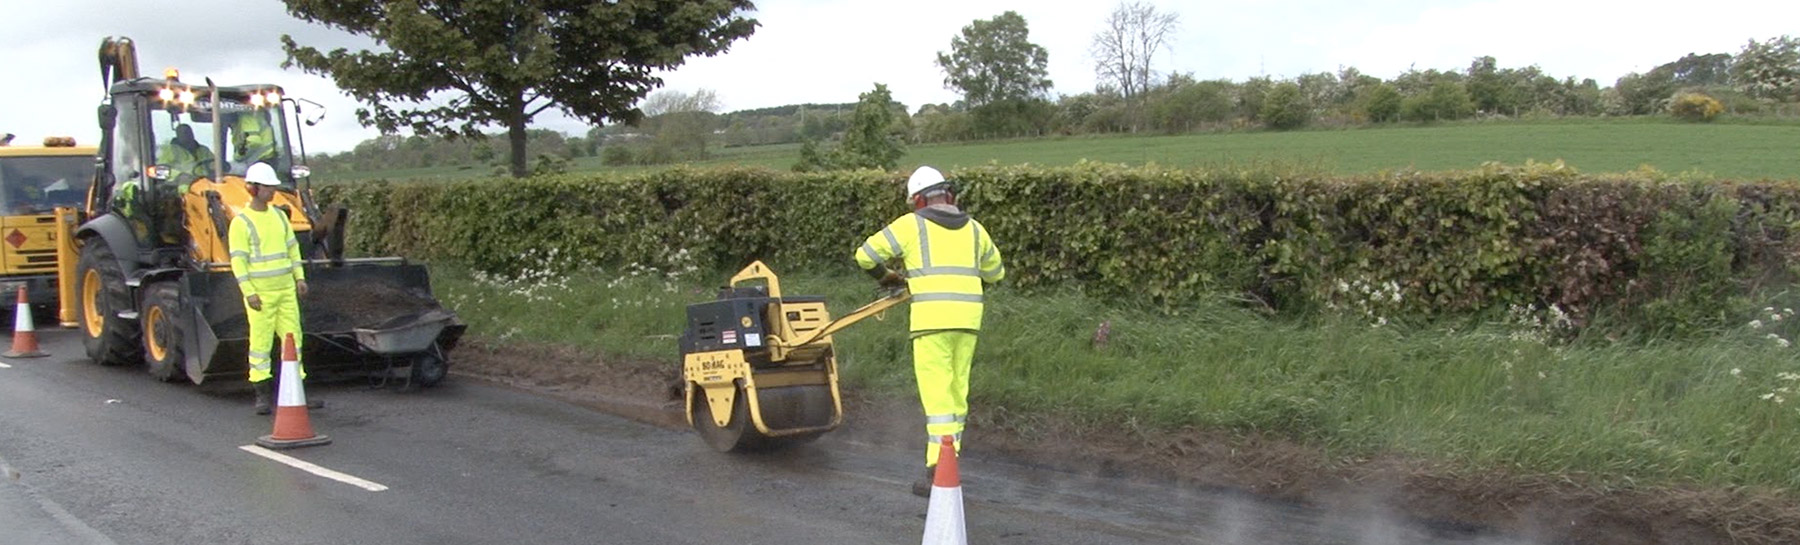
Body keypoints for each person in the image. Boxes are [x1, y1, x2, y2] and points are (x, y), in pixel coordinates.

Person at [853, 165, 1005, 497]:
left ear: (918, 200)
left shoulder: (911, 225)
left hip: (930, 324)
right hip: (968, 322)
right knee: (956, 394)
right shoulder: (977, 230)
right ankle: (949, 460)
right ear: (948, 194)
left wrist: (887, 278)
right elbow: (995, 273)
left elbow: (864, 256)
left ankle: (938, 470)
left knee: (937, 401)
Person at [229, 162, 318, 414]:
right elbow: (239, 261)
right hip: (261, 296)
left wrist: (299, 278)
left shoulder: (279, 216)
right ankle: (262, 394)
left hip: (286, 290)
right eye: (268, 188)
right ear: (254, 189)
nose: (272, 192)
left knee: (293, 340)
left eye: (273, 187)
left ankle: (296, 391)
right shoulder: (242, 223)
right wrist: (250, 293)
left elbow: (292, 248)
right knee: (260, 343)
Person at [156, 124, 214, 189]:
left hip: (206, 186)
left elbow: (215, 165)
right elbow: (159, 171)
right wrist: (178, 175)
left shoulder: (204, 150)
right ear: (178, 135)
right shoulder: (169, 150)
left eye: (189, 132)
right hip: (181, 189)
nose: (187, 135)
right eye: (184, 133)